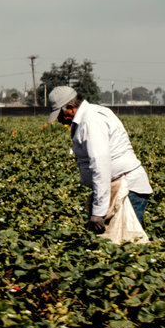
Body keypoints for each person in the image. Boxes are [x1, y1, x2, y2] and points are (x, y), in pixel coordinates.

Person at [48, 86, 153, 234]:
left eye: (60, 115)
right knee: (114, 243)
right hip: (118, 187)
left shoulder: (91, 121)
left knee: (125, 244)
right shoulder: (90, 115)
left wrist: (98, 213)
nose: (59, 120)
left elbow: (100, 166)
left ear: (71, 108)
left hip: (127, 190)